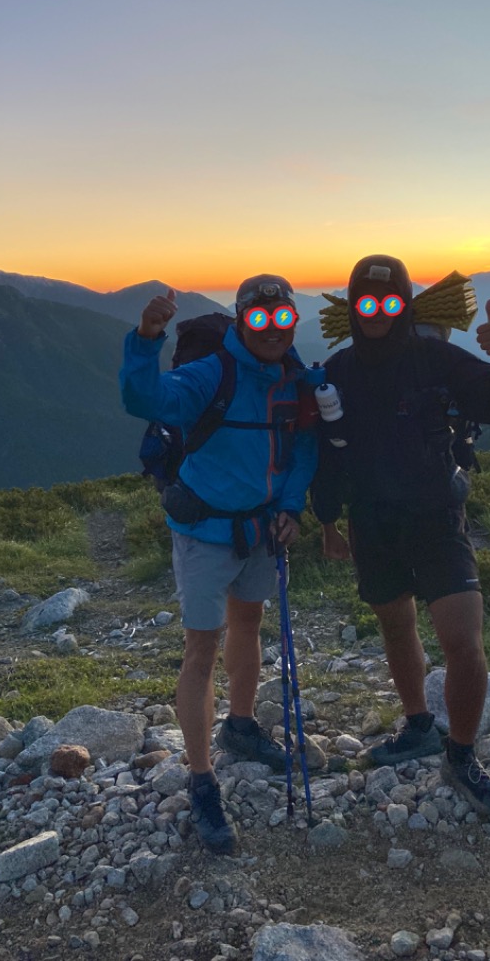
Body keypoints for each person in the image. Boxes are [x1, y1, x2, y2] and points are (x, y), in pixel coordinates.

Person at [311, 255, 490, 818]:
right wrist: (327, 520)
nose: (376, 313)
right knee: (396, 626)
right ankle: (418, 725)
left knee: (463, 640)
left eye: (389, 303)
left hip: (436, 515)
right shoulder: (338, 371)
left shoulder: (435, 359)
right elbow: (327, 450)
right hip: (372, 519)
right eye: (365, 302)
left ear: (406, 306)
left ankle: (461, 756)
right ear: (352, 306)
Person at [120, 275, 317, 853]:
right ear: (240, 322)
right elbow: (143, 399)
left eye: (282, 320)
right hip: (204, 533)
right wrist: (144, 338)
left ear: (292, 323)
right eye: (259, 320)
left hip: (260, 529)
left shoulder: (292, 381)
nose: (272, 331)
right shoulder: (212, 375)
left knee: (249, 624)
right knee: (202, 647)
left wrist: (291, 508)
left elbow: (299, 453)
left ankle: (241, 725)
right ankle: (202, 778)